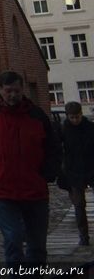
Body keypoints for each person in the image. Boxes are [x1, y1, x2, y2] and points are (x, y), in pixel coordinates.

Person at [0, 70, 61, 267]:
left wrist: (46, 174)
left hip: (34, 189)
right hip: (4, 189)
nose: (13, 95)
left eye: (17, 91)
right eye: (8, 91)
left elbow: (53, 147)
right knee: (13, 239)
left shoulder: (36, 116)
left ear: (23, 90)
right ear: (0, 90)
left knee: (37, 244)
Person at [60, 100, 94, 246]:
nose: (75, 120)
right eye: (72, 117)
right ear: (68, 116)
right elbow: (59, 151)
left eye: (77, 116)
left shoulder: (90, 128)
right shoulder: (63, 130)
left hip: (91, 168)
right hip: (73, 171)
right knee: (79, 205)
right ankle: (83, 236)